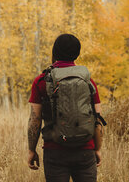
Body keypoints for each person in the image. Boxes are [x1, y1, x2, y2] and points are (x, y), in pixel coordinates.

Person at [27, 33, 104, 182]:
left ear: (54, 52)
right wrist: (98, 148)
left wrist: (31, 150)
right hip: (85, 151)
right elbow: (98, 120)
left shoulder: (42, 81)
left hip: (55, 151)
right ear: (77, 53)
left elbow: (34, 120)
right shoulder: (88, 81)